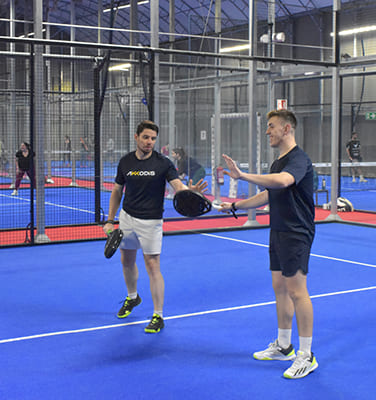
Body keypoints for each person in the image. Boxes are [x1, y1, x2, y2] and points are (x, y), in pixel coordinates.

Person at [218, 109, 318, 379]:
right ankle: (284, 346)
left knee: (297, 291)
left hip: (296, 232)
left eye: (271, 126)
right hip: (278, 230)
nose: (267, 131)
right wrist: (236, 206)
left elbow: (284, 181)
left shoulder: (298, 159)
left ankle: (306, 355)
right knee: (280, 288)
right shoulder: (278, 163)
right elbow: (268, 195)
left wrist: (243, 175)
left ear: (287, 129)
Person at [103, 120, 207, 334]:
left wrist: (189, 192)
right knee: (126, 260)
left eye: (152, 139)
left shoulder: (163, 163)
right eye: (145, 137)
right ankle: (132, 297)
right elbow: (117, 191)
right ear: (136, 137)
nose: (149, 142)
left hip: (151, 222)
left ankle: (158, 315)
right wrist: (110, 220)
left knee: (152, 265)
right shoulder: (125, 162)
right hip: (127, 217)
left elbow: (177, 186)